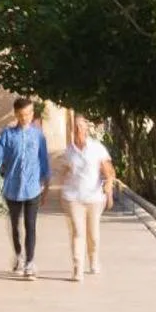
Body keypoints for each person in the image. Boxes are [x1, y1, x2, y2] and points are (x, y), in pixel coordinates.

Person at [0, 97, 50, 278]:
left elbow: (44, 161)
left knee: (31, 225)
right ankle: (19, 255)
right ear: (16, 114)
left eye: (29, 114)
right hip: (12, 187)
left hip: (33, 188)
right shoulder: (7, 135)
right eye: (22, 115)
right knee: (15, 225)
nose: (26, 118)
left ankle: (30, 263)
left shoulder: (38, 135)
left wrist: (47, 185)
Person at [57, 114, 116, 281]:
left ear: (87, 130)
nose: (78, 130)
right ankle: (78, 268)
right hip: (73, 197)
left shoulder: (97, 148)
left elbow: (109, 172)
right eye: (75, 128)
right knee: (77, 231)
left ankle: (94, 260)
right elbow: (64, 172)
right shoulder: (69, 151)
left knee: (93, 235)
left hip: (94, 198)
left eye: (81, 127)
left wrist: (109, 189)